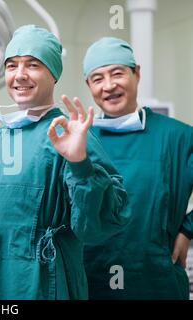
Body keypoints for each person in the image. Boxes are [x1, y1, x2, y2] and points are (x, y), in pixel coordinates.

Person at [0, 25, 131, 300]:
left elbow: (105, 221)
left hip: (45, 284)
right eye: (12, 66)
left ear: (53, 74)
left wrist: (80, 164)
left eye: (33, 65)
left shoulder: (68, 134)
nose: (19, 75)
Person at [82, 37, 193, 299]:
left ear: (137, 73)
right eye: (97, 78)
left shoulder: (178, 137)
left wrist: (188, 230)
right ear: (89, 86)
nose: (108, 86)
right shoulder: (81, 140)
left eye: (117, 73)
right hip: (92, 277)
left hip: (156, 278)